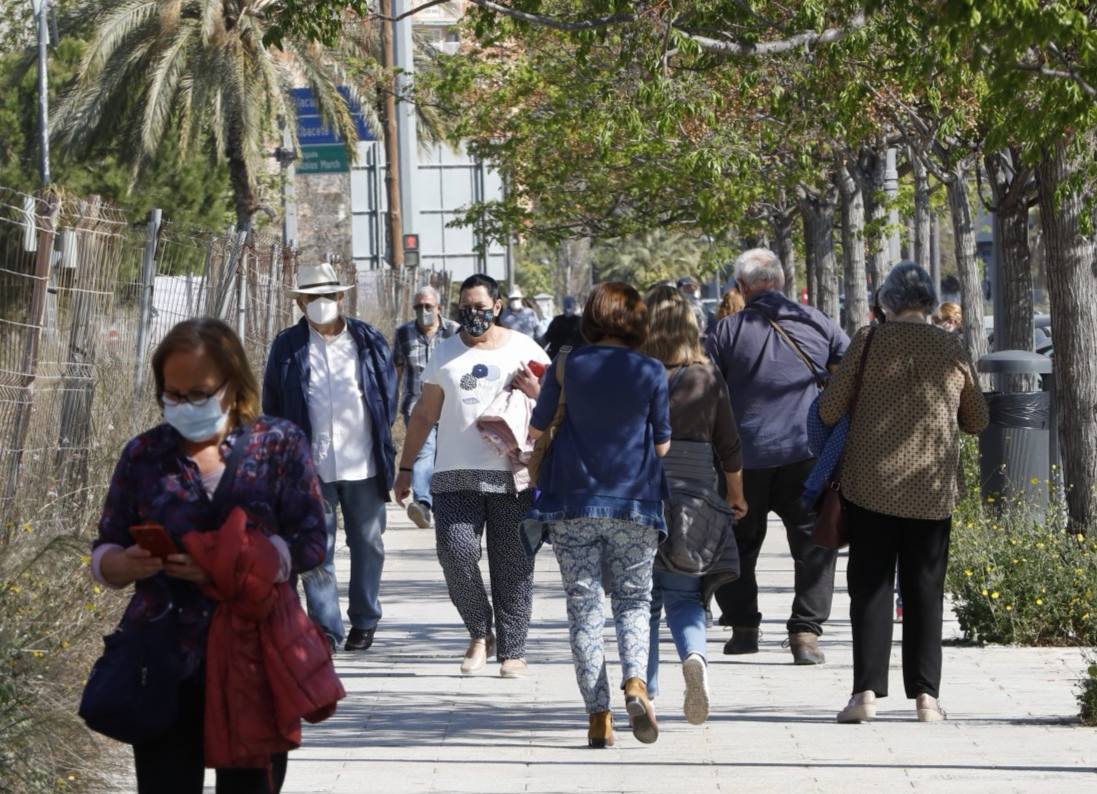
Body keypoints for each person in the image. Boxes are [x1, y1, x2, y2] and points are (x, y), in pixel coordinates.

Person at [91, 318, 329, 793]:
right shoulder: (144, 454)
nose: (183, 405)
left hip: (255, 659)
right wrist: (120, 564)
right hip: (162, 661)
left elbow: (311, 540)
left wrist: (233, 565)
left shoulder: (278, 445)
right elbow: (107, 545)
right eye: (172, 393)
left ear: (232, 384)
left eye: (198, 393)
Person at [818, 263, 988, 723]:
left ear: (886, 302)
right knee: (925, 591)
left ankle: (865, 696)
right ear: (930, 302)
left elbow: (830, 409)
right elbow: (977, 419)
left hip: (869, 486)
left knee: (871, 588)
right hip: (931, 491)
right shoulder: (951, 345)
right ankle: (926, 699)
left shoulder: (868, 341)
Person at [526, 282, 670, 749]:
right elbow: (663, 443)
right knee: (633, 601)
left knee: (584, 609)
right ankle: (636, 683)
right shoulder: (651, 370)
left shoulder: (567, 363)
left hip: (573, 502)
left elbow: (536, 428)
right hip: (635, 501)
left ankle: (597, 717)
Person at [394, 274, 549, 677]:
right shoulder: (444, 353)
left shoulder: (523, 347)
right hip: (453, 474)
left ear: (497, 307)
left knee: (513, 563)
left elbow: (554, 402)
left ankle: (513, 650)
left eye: (481, 308)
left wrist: (536, 391)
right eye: (466, 307)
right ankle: (480, 633)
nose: (473, 314)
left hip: (511, 475)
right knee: (455, 552)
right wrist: (406, 469)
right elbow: (425, 414)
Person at [705, 248, 849, 664]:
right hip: (806, 454)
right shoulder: (817, 321)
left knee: (737, 542)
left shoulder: (727, 331)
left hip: (741, 458)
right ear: (781, 282)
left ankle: (744, 627)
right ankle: (805, 632)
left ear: (742, 287)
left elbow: (708, 387)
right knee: (812, 544)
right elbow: (845, 372)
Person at [262, 262, 398, 653]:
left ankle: (365, 619)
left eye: (328, 295)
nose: (320, 303)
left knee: (369, 542)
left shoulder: (368, 340)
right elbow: (272, 403)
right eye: (311, 297)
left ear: (341, 296)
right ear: (300, 302)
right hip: (309, 467)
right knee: (315, 551)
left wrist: (380, 441)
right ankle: (326, 629)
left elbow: (387, 398)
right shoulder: (286, 346)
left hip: (364, 463)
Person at [641, 286, 748, 726]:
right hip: (698, 490)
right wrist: (736, 494)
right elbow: (730, 444)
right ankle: (695, 657)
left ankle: (643, 690)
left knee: (641, 599)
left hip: (644, 487)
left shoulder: (639, 374)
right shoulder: (707, 375)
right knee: (685, 591)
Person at [393, 285, 460, 529]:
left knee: (444, 456)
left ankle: (446, 503)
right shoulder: (403, 334)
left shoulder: (455, 332)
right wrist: (391, 407)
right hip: (415, 406)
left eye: (428, 306)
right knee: (424, 451)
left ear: (439, 308)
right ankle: (422, 503)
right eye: (418, 307)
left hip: (449, 406)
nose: (423, 311)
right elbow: (397, 371)